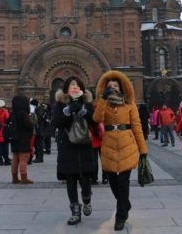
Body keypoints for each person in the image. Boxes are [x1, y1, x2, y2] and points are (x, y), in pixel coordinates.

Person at [94, 70, 148, 232]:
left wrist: (143, 148)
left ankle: (121, 215)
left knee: (123, 182)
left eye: (116, 85)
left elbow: (137, 127)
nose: (113, 88)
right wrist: (103, 98)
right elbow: (97, 119)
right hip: (109, 143)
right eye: (109, 86)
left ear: (122, 87)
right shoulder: (103, 104)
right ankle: (125, 203)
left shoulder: (129, 104)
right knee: (112, 180)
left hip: (127, 143)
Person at [54, 76, 96, 225]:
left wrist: (83, 111)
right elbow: (56, 122)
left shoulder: (87, 103)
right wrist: (68, 111)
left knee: (85, 178)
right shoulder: (60, 104)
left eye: (77, 84)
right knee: (70, 179)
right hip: (68, 146)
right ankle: (75, 211)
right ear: (66, 88)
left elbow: (95, 121)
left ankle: (86, 199)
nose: (74, 87)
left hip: (84, 145)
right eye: (71, 84)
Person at [10, 95, 35, 184]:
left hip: (14, 138)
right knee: (24, 158)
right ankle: (24, 178)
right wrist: (32, 123)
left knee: (15, 158)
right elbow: (28, 125)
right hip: (23, 139)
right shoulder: (23, 113)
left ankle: (14, 177)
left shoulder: (13, 113)